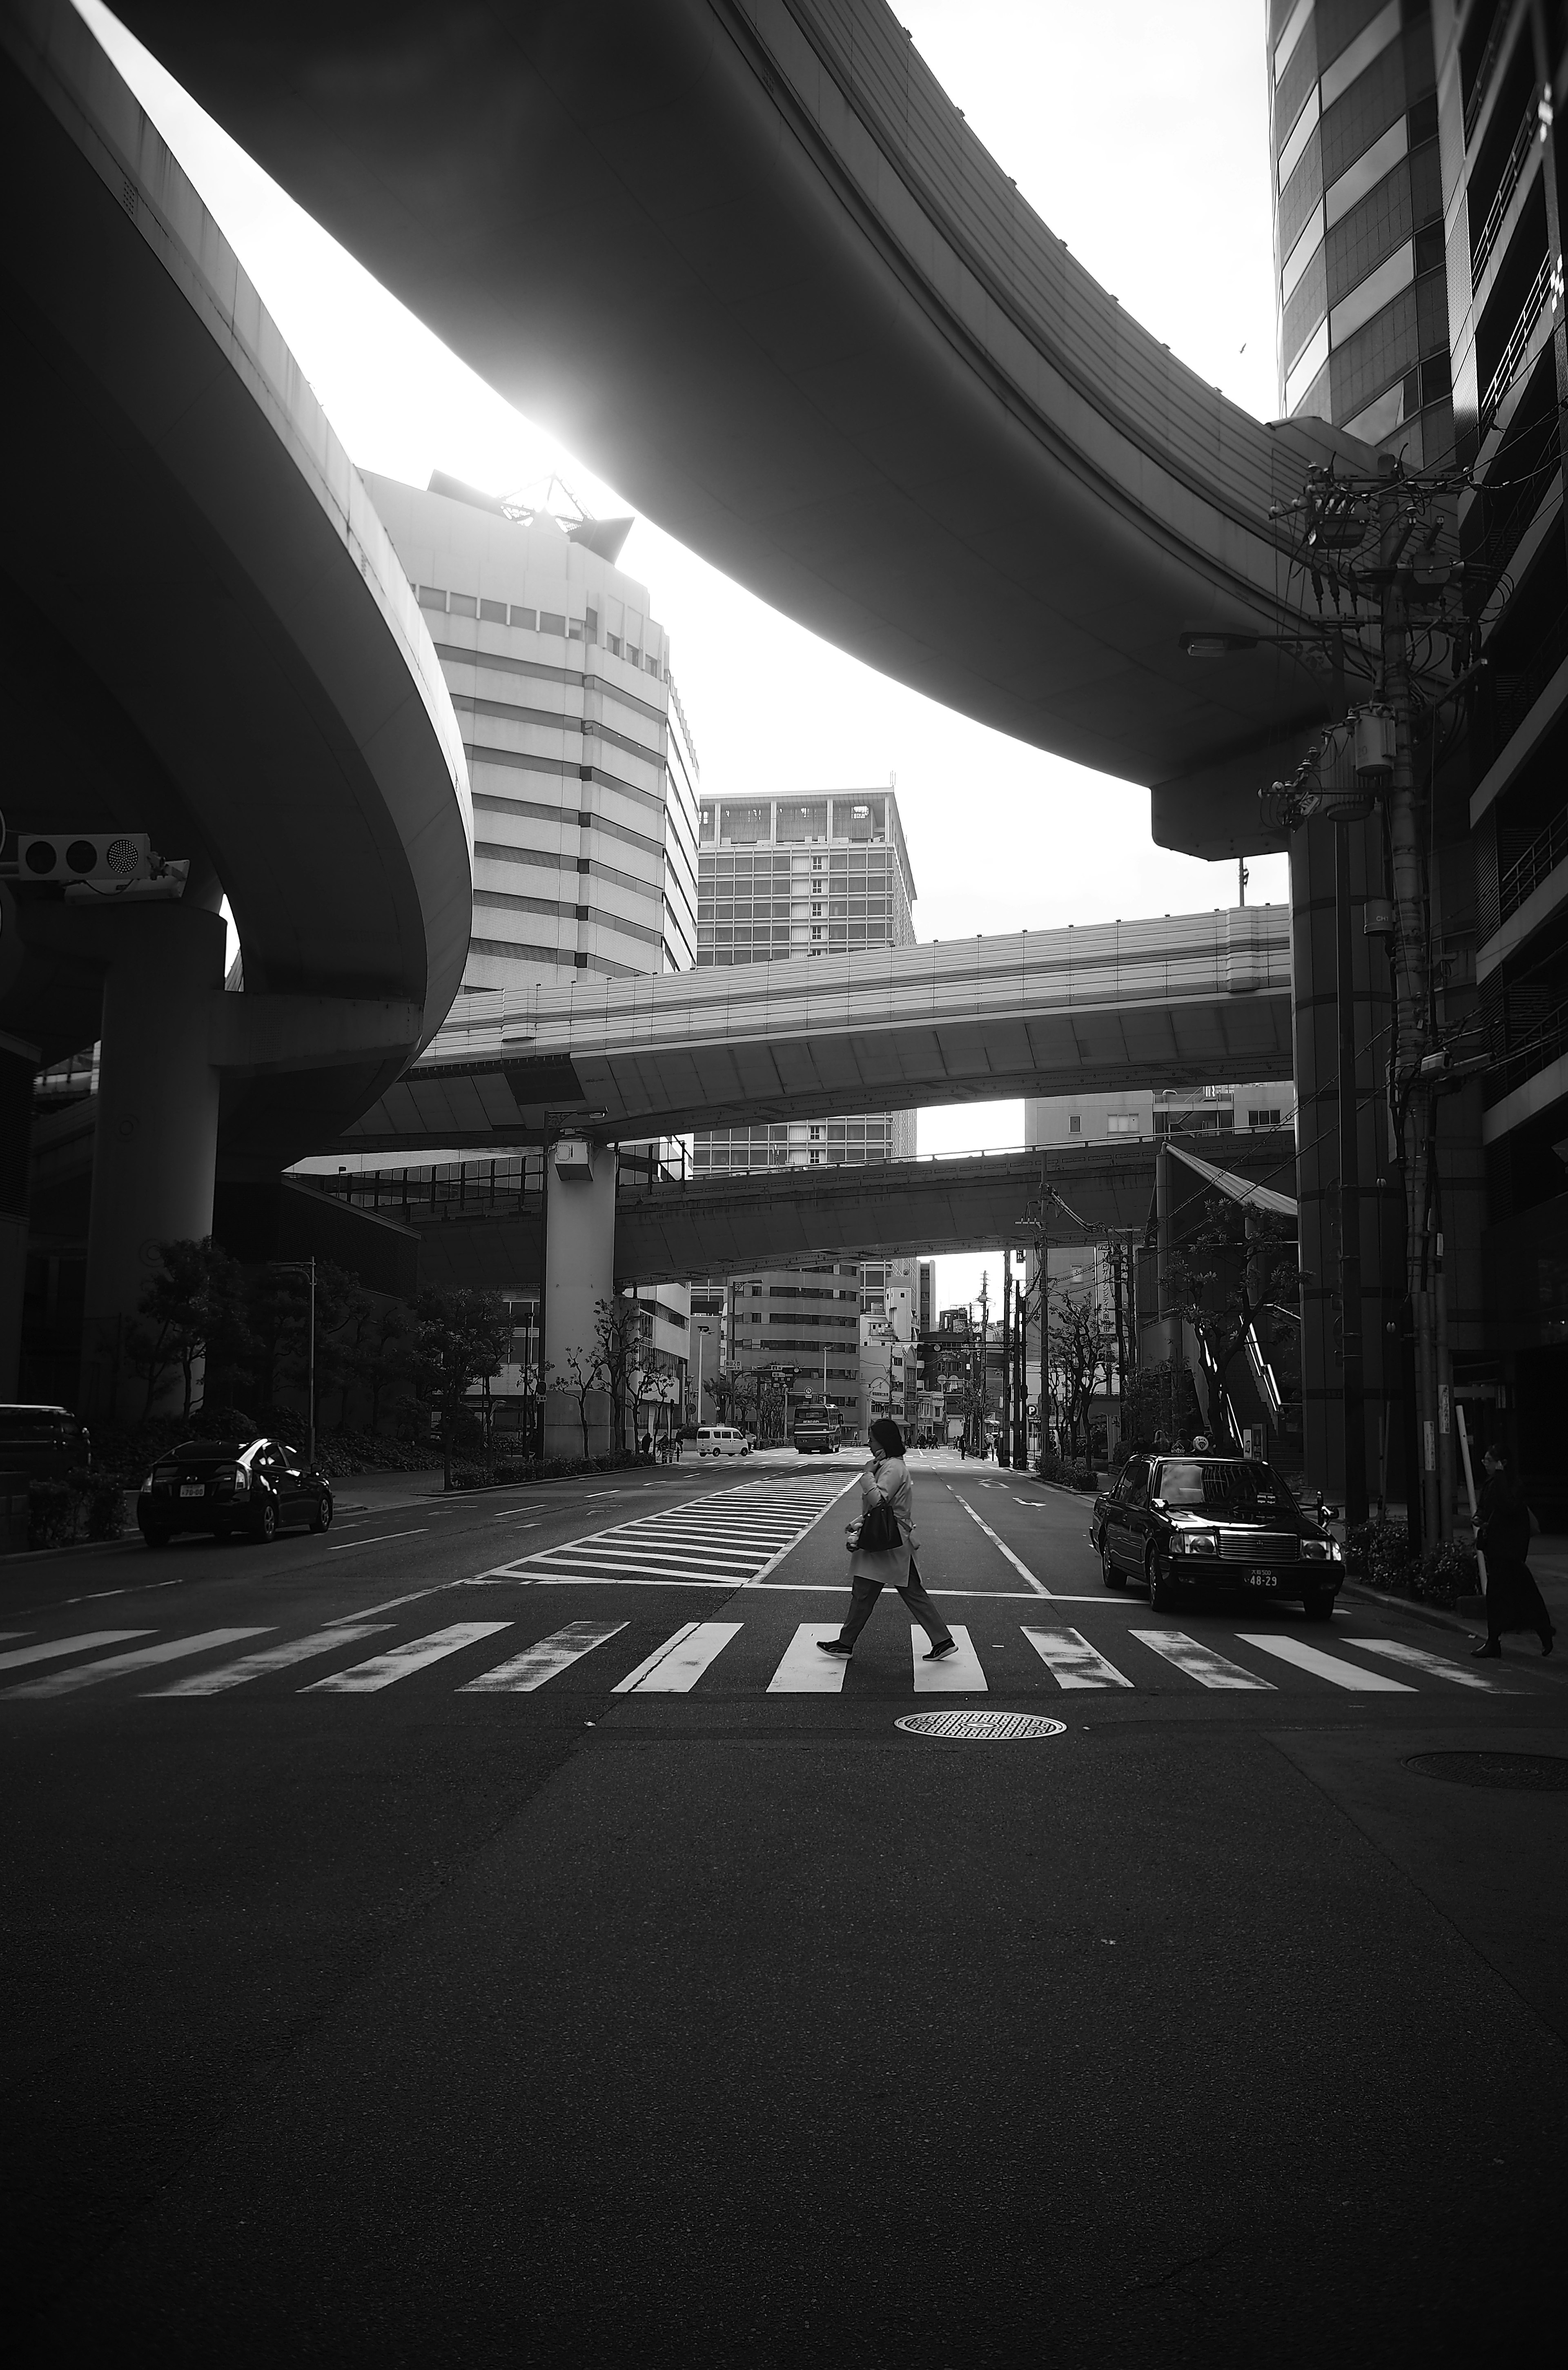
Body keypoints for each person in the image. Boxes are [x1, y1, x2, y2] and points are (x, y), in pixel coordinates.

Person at [820, 1417, 956, 1662]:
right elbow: (883, 1508)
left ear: (883, 1442)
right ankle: (941, 1640)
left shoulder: (892, 1468)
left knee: (868, 1592)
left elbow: (880, 1501)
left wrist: (867, 1476)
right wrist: (858, 1522)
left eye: (872, 1440)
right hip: (893, 1539)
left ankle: (846, 1643)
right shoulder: (892, 1465)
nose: (869, 1444)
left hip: (888, 1542)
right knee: (896, 1590)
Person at [1472, 1446, 1554, 1659]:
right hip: (1498, 1549)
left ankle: (1495, 1641)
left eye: (1489, 1461)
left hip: (1510, 1550)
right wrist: (1479, 1517)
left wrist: (1500, 1476)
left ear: (1502, 1463)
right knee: (1519, 1595)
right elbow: (1485, 1508)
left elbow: (1508, 1506)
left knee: (1503, 1595)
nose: (1486, 1464)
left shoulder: (1513, 1484)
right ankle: (1542, 1630)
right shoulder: (1491, 1484)